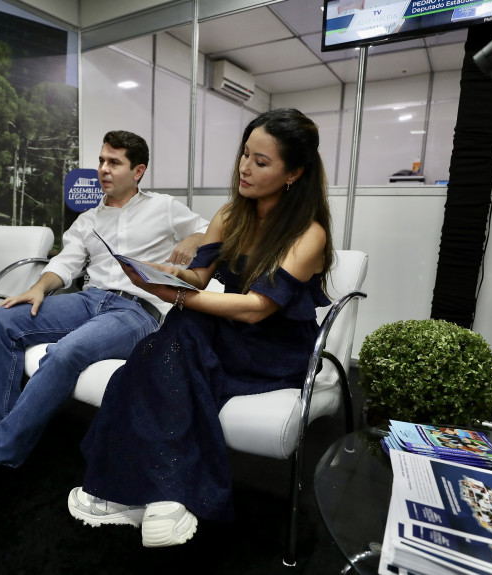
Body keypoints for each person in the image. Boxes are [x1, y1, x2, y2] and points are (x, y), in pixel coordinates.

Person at [66, 108, 334, 547]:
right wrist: (154, 273)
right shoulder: (231, 215)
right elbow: (198, 278)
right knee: (161, 348)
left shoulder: (309, 233)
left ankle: (150, 491)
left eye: (261, 162)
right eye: (245, 154)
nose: (245, 168)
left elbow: (256, 309)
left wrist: (176, 295)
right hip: (224, 331)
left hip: (274, 346)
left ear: (294, 173)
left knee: (171, 338)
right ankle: (163, 497)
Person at [0, 130, 208, 524]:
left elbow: (211, 229)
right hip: (88, 298)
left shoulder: (164, 208)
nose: (102, 169)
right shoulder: (89, 218)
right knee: (0, 322)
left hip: (135, 310)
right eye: (101, 160)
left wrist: (194, 241)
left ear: (138, 171)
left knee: (65, 352)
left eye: (113, 162)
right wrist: (38, 289)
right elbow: (65, 265)